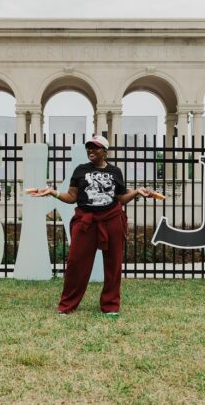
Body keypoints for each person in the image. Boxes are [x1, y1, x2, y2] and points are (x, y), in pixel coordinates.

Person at [29, 135, 153, 316]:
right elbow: (71, 197)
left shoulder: (115, 172)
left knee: (113, 264)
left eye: (95, 147)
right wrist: (53, 192)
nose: (91, 151)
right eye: (89, 147)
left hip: (112, 220)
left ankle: (110, 305)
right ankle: (67, 305)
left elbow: (120, 199)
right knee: (75, 263)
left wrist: (136, 192)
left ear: (105, 151)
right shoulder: (80, 170)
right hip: (86, 222)